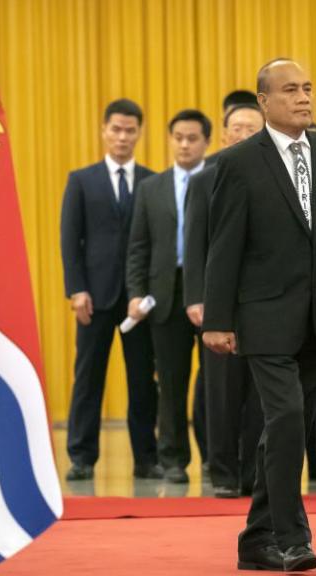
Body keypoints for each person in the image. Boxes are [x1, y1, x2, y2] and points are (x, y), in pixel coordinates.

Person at [202, 58, 316, 572]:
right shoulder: (238, 163)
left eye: (307, 88)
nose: (303, 97)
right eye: (290, 90)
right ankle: (291, 536)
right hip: (263, 319)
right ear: (263, 101)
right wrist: (217, 318)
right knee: (285, 417)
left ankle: (255, 541)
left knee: (288, 430)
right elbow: (224, 246)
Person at [59, 99, 160, 481]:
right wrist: (76, 290)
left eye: (130, 130)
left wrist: (147, 293)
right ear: (104, 130)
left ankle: (146, 458)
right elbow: (71, 242)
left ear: (139, 133)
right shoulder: (81, 180)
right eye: (116, 129)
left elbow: (156, 242)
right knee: (88, 378)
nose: (122, 136)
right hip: (94, 298)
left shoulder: (153, 181)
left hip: (138, 301)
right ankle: (81, 457)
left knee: (142, 382)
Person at [183, 102, 266, 497]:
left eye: (253, 128)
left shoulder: (276, 175)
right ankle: (222, 472)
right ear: (225, 133)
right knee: (220, 391)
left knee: (259, 392)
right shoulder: (205, 180)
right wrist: (196, 299)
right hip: (219, 302)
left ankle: (252, 472)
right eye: (238, 128)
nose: (245, 134)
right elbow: (194, 245)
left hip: (265, 302)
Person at [127, 109, 212, 484]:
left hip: (213, 293)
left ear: (207, 141)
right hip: (165, 293)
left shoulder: (220, 181)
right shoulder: (152, 188)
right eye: (178, 137)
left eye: (192, 138)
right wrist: (137, 292)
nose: (184, 144)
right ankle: (173, 459)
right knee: (172, 382)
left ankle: (216, 456)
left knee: (215, 382)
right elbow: (138, 247)